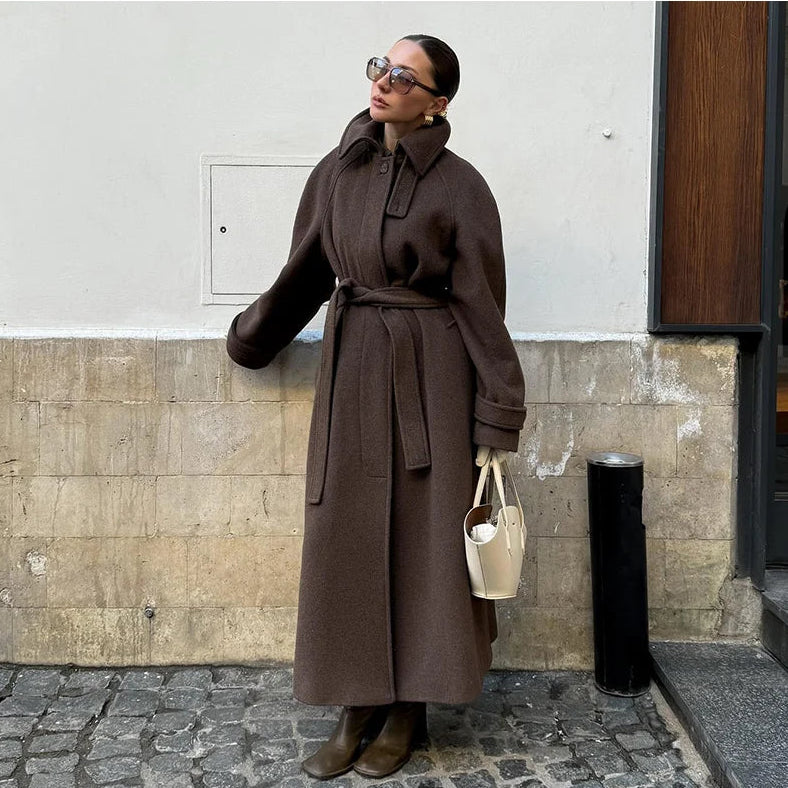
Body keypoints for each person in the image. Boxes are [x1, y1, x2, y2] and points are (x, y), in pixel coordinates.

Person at [225, 34, 527, 780]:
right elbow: (304, 272)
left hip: (433, 375)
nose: (383, 82)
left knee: (424, 542)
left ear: (438, 101)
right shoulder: (338, 172)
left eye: (404, 75)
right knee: (347, 534)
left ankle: (406, 712)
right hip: (354, 367)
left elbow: (484, 308)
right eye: (379, 68)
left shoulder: (463, 188)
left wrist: (497, 415)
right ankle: (353, 706)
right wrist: (252, 339)